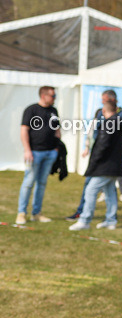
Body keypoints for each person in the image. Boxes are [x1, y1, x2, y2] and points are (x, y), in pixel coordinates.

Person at [67, 92, 122, 220]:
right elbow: (93, 131)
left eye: (104, 100)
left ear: (111, 100)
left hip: (110, 157)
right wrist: (87, 147)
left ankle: (86, 217)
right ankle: (102, 216)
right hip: (98, 153)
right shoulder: (100, 112)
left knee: (94, 187)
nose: (102, 102)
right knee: (103, 187)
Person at [17, 86, 61, 224]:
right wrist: (27, 150)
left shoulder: (54, 111)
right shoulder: (31, 110)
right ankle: (21, 213)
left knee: (41, 184)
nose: (54, 98)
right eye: (52, 96)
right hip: (35, 152)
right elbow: (24, 130)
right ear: (44, 96)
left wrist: (57, 148)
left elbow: (57, 129)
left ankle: (36, 213)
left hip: (50, 152)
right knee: (28, 182)